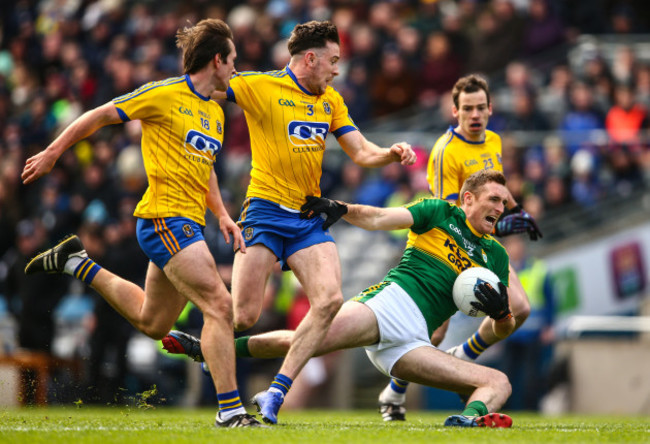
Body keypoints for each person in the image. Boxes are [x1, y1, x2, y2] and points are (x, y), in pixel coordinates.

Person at [164, 20, 416, 425]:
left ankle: (275, 392)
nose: (337, 70)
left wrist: (391, 152)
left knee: (330, 300)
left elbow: (362, 151)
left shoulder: (331, 100)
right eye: (333, 61)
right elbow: (202, 84)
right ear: (310, 58)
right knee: (243, 317)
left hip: (306, 217)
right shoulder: (260, 86)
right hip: (263, 214)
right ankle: (206, 339)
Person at [21, 19, 262, 427]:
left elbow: (207, 170)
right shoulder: (163, 94)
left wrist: (221, 214)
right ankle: (231, 411)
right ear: (217, 60)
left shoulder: (215, 112)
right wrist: (53, 151)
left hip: (188, 224)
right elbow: (99, 115)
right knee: (219, 305)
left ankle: (77, 261)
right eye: (233, 60)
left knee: (154, 322)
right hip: (163, 219)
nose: (236, 68)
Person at [164, 169, 516, 428]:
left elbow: (505, 325)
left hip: (415, 342)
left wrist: (501, 315)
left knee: (498, 382)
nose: (501, 208)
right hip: (388, 305)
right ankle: (206, 349)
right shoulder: (440, 213)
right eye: (494, 199)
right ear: (468, 198)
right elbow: (380, 217)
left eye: (504, 202)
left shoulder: (496, 257)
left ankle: (466, 422)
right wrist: (341, 207)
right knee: (311, 341)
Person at [375, 74, 543, 421]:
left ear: (491, 108)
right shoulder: (445, 151)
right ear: (455, 111)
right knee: (433, 334)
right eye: (468, 108)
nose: (475, 114)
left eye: (481, 107)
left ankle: (465, 355)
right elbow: (452, 211)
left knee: (520, 308)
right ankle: (394, 391)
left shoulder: (494, 141)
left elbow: (495, 187)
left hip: (484, 245)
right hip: (454, 245)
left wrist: (515, 211)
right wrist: (506, 222)